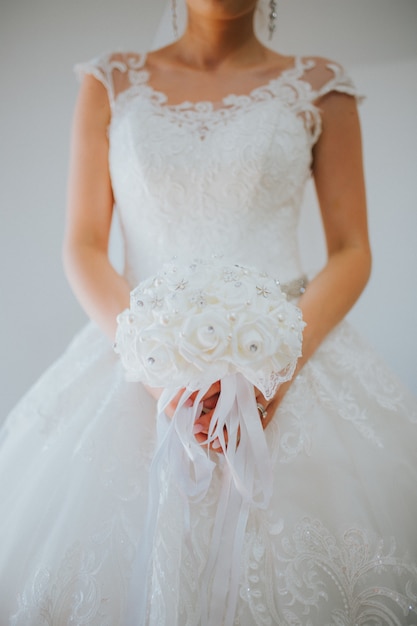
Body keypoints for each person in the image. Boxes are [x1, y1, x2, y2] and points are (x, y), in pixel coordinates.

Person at [1, 0, 417, 624]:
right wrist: (158, 366)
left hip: (288, 349)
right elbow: (84, 245)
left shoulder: (321, 86)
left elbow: (352, 249)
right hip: (136, 352)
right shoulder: (109, 81)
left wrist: (279, 358)